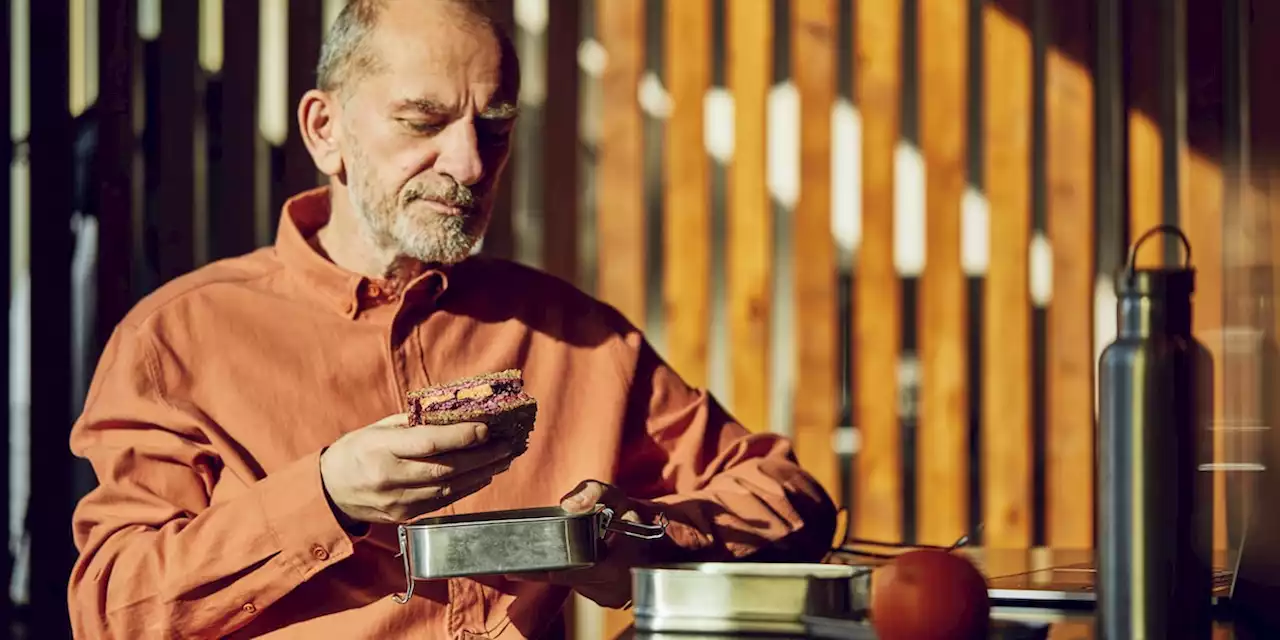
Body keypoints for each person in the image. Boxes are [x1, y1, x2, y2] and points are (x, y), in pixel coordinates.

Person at [65, 0, 837, 637]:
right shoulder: (176, 342)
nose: (469, 164)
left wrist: (629, 536)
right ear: (324, 130)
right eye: (424, 121)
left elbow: (789, 496)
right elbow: (111, 608)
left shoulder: (573, 334)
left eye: (493, 129)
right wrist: (326, 495)